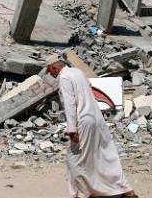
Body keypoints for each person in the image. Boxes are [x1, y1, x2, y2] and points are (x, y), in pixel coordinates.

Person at [45, 54, 137, 198]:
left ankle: (81, 193)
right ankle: (126, 189)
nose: (50, 74)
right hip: (97, 119)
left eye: (50, 71)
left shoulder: (64, 77)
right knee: (105, 154)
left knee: (75, 159)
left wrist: (72, 129)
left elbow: (70, 104)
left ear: (55, 67)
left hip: (83, 121)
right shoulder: (78, 72)